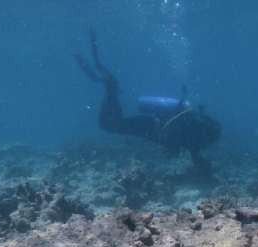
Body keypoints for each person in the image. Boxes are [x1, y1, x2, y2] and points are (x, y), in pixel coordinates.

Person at [75, 30, 221, 172]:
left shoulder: (195, 136)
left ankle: (109, 84)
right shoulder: (195, 136)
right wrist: (175, 149)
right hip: (150, 126)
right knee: (110, 125)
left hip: (151, 127)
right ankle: (110, 85)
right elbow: (175, 132)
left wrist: (193, 160)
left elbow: (188, 147)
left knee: (112, 124)